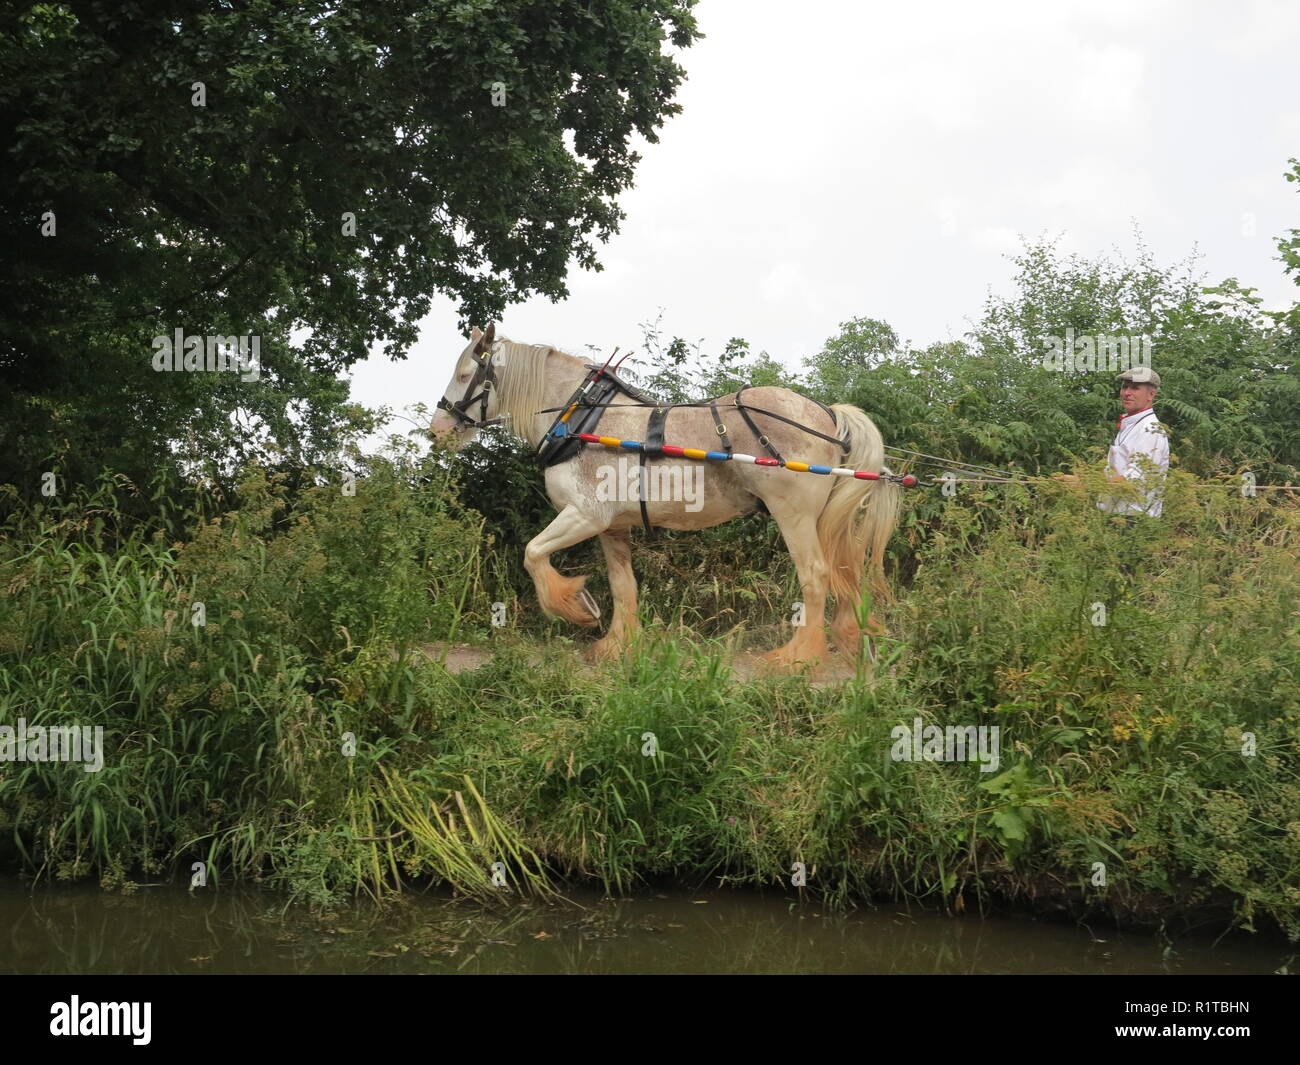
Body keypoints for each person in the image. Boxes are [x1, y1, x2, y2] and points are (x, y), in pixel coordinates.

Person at [1053, 366, 1170, 518]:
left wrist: (1085, 484)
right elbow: (1117, 472)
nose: (1127, 393)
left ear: (1151, 394)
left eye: (1135, 388)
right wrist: (1078, 479)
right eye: (1125, 387)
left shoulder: (1150, 430)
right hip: (1115, 514)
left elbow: (1134, 481)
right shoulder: (1131, 424)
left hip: (1135, 521)